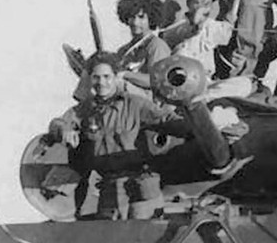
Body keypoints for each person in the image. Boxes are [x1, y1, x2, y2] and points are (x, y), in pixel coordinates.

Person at [48, 51, 191, 220]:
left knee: (145, 238)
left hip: (142, 189)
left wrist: (199, 123)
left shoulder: (135, 104)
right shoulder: (85, 110)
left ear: (116, 77)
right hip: (109, 190)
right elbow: (58, 123)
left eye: (107, 77)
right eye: (96, 77)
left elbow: (170, 121)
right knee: (111, 241)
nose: (101, 83)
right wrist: (63, 130)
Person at [161, 0, 236, 79]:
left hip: (203, 79)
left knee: (242, 84)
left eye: (206, 4)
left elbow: (229, 23)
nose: (201, 7)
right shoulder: (179, 26)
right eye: (197, 3)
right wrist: (197, 18)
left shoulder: (212, 26)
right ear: (188, 4)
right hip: (180, 76)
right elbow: (189, 32)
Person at [113, 0, 172, 93]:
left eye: (141, 17)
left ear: (151, 19)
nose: (135, 22)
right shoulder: (124, 51)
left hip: (147, 100)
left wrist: (125, 75)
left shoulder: (156, 46)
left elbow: (156, 80)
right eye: (132, 17)